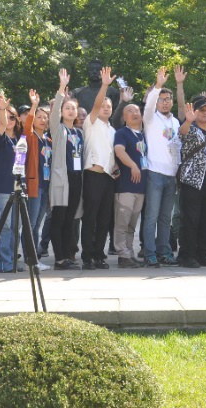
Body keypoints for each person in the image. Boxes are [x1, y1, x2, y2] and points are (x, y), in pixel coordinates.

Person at [141, 67, 184, 267]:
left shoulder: (175, 122)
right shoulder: (150, 119)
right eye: (161, 99)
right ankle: (149, 253)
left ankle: (164, 252)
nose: (165, 102)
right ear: (156, 101)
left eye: (168, 99)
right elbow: (148, 106)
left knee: (165, 218)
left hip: (171, 175)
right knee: (151, 216)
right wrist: (157, 86)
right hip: (155, 173)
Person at [176, 94, 206, 269]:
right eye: (201, 110)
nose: (205, 113)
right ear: (194, 112)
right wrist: (188, 121)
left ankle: (202, 254)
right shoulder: (190, 129)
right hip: (192, 181)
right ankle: (187, 255)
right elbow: (182, 135)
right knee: (190, 220)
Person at [79, 67, 119, 270]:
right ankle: (87, 255)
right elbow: (95, 105)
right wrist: (104, 86)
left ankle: (99, 254)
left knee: (104, 219)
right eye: (103, 105)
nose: (105, 107)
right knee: (91, 217)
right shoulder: (90, 122)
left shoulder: (112, 130)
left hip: (108, 179)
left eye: (109, 106)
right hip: (93, 175)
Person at [49, 69, 85, 270]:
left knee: (70, 220)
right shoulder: (58, 129)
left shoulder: (79, 133)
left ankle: (67, 255)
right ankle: (59, 259)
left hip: (76, 179)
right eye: (67, 108)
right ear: (62, 112)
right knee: (59, 219)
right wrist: (61, 89)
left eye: (73, 108)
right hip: (62, 179)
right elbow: (53, 114)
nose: (71, 111)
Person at [0, 95, 25, 273]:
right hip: (1, 188)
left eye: (12, 117)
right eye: (6, 116)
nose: (9, 120)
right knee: (5, 226)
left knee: (16, 227)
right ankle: (3, 264)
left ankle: (12, 261)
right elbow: (1, 125)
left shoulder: (20, 140)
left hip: (17, 188)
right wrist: (2, 109)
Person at [113, 100, 147, 268]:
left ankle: (129, 253)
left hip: (141, 186)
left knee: (132, 224)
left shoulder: (143, 135)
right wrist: (133, 165)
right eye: (130, 111)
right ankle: (122, 254)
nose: (135, 113)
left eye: (137, 111)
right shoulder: (121, 133)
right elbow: (119, 151)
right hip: (126, 186)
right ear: (124, 117)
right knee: (122, 222)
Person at [23, 90, 52, 261]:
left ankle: (33, 256)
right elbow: (27, 125)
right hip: (34, 185)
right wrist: (34, 105)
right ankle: (30, 257)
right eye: (39, 117)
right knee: (31, 224)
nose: (43, 120)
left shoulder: (48, 140)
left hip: (46, 186)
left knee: (37, 225)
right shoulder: (30, 136)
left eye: (45, 117)